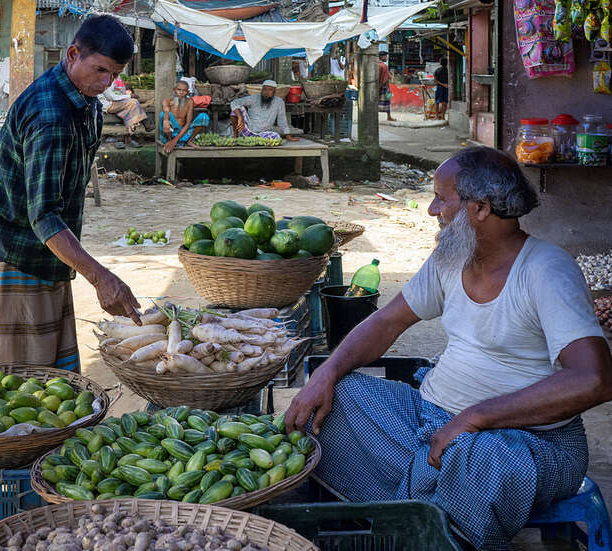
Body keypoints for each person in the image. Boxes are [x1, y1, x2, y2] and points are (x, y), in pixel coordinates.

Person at [284, 147, 612, 551]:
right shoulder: (451, 257)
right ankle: (418, 513)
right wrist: (327, 374)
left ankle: (430, 527)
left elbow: (594, 379)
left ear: (480, 208)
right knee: (342, 398)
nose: (431, 210)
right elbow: (387, 322)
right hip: (432, 418)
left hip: (529, 442)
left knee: (480, 463)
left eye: (442, 198)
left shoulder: (546, 271)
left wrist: (476, 417)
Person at [0, 15, 142, 370]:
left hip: (48, 254)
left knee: (53, 374)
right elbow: (43, 214)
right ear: (73, 53)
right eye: (100, 70)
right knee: (18, 384)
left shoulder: (84, 98)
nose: (107, 82)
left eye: (114, 74)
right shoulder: (50, 117)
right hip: (12, 252)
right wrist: (100, 276)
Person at [230, 80, 299, 141]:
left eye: (270, 90)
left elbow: (282, 121)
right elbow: (234, 103)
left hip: (264, 133)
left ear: (274, 92)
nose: (266, 92)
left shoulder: (279, 102)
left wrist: (288, 136)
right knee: (235, 111)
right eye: (265, 89)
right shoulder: (254, 98)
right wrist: (240, 118)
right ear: (262, 90)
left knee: (276, 137)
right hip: (247, 130)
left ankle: (255, 139)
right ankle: (236, 137)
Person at [160, 80, 210, 153]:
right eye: (179, 90)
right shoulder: (167, 101)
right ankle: (169, 141)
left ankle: (189, 141)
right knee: (163, 115)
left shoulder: (190, 102)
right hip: (170, 132)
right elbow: (166, 112)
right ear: (174, 90)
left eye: (184, 90)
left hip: (183, 132)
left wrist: (175, 141)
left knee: (204, 117)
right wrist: (165, 121)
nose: (181, 92)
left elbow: (188, 123)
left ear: (187, 92)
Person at [98, 77, 148, 148]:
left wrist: (125, 94)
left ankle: (129, 138)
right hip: (108, 105)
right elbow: (111, 97)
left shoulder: (112, 80)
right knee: (134, 102)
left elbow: (116, 92)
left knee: (128, 110)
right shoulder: (103, 80)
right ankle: (144, 122)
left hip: (113, 102)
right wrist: (129, 96)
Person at [378, 51, 395, 122]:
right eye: (386, 56)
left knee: (377, 102)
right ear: (382, 57)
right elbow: (386, 78)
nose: (387, 58)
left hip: (379, 85)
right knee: (386, 102)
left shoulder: (379, 64)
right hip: (384, 85)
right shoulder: (383, 66)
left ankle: (388, 116)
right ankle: (389, 116)